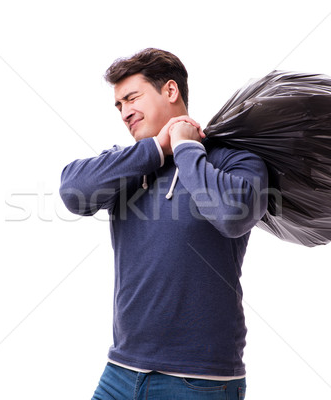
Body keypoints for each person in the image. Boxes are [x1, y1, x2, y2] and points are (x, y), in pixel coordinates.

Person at [59, 48, 269, 400]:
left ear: (170, 91)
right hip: (121, 373)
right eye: (119, 105)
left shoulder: (232, 158)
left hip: (199, 382)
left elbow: (234, 215)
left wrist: (186, 148)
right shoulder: (130, 163)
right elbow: (72, 191)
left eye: (131, 98)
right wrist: (157, 148)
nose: (125, 112)